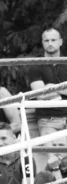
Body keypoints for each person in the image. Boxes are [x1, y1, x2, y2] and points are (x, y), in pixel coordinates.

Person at [26, 27, 67, 169]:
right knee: (53, 160)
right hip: (47, 119)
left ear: (61, 42)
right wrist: (63, 89)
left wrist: (52, 87)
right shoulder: (35, 65)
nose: (50, 43)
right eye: (46, 40)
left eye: (53, 40)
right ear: (42, 43)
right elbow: (40, 95)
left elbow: (45, 91)